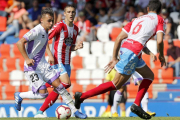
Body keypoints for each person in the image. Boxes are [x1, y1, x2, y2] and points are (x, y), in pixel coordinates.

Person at [74, 0, 166, 119]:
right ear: (159, 11)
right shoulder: (159, 19)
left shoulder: (136, 20)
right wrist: (161, 55)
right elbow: (159, 40)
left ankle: (136, 104)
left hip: (128, 50)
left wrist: (114, 57)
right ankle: (81, 96)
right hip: (133, 53)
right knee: (116, 84)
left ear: (147, 9)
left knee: (149, 75)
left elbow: (119, 38)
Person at [14, 7, 87, 119]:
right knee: (43, 93)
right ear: (42, 20)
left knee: (60, 87)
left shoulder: (47, 31)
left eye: (52, 20)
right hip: (32, 67)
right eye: (49, 20)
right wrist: (27, 59)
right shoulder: (36, 30)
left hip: (43, 65)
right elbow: (20, 43)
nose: (51, 23)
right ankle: (20, 95)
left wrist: (75, 47)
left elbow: (47, 43)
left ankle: (75, 111)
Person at [34, 5, 84, 117]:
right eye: (69, 12)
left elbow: (69, 46)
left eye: (73, 12)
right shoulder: (60, 26)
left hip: (67, 62)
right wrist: (50, 55)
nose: (71, 14)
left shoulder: (76, 29)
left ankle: (40, 111)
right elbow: (44, 38)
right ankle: (75, 111)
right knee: (66, 83)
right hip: (57, 60)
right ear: (64, 14)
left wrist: (76, 47)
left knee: (60, 88)